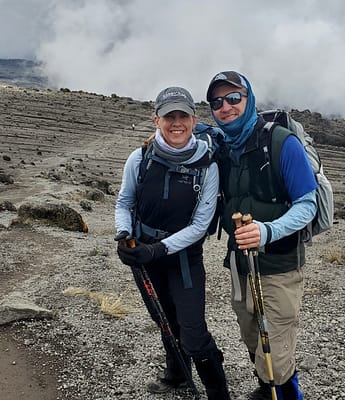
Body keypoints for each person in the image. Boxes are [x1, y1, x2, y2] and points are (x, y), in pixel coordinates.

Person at [206, 71, 318, 400]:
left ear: (249, 98)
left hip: (280, 265)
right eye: (216, 102)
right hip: (240, 265)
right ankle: (267, 387)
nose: (225, 106)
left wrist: (267, 231)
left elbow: (307, 204)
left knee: (277, 350)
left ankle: (285, 393)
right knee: (252, 336)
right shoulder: (223, 146)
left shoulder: (282, 142)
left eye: (233, 98)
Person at [114, 86, 231, 400]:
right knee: (164, 319)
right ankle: (177, 375)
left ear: (194, 120)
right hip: (144, 255)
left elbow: (200, 225)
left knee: (193, 331)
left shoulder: (207, 165)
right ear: (157, 119)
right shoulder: (139, 158)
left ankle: (218, 392)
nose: (176, 122)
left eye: (182, 116)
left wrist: (159, 249)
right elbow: (124, 203)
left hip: (183, 259)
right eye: (169, 116)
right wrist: (124, 235)